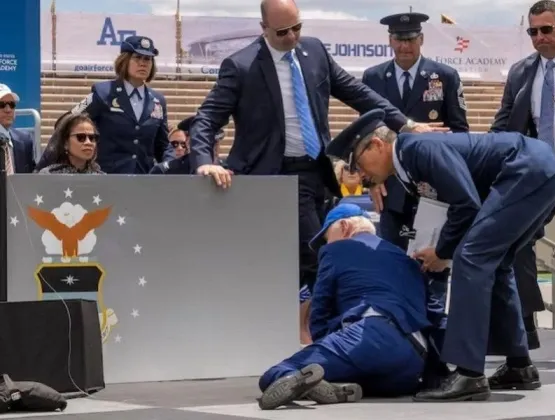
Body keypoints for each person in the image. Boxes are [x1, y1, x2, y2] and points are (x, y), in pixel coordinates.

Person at [188, 0, 446, 345]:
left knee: (315, 256)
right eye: (282, 31)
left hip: (317, 171)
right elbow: (207, 117)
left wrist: (406, 124)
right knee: (319, 257)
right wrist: (204, 158)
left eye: (297, 27)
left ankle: (310, 333)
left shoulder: (314, 52)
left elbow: (358, 94)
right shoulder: (241, 65)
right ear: (263, 28)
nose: (292, 36)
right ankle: (325, 338)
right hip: (272, 176)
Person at [326, 108, 555, 401]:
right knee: (495, 262)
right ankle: (519, 366)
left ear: (376, 145)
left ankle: (469, 374)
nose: (360, 174)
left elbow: (466, 204)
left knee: (471, 258)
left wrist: (442, 251)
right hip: (537, 169)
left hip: (527, 169)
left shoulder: (417, 148)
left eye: (358, 163)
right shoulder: (407, 166)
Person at [362, 12, 468, 355]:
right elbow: (365, 137)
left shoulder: (444, 76)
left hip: (435, 190)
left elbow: (460, 132)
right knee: (393, 261)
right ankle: (399, 337)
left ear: (421, 40)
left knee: (433, 265)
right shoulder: (373, 77)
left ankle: (435, 345)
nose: (404, 45)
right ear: (389, 40)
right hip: (391, 189)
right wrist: (370, 181)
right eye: (398, 38)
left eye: (410, 38)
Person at [257, 204, 429, 410]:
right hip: (414, 357)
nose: (326, 243)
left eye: (327, 237)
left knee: (276, 374)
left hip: (369, 335)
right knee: (364, 378)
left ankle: (308, 383)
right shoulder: (406, 259)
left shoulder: (335, 250)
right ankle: (336, 387)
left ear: (345, 226)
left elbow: (320, 310)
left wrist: (323, 347)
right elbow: (433, 313)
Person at [490, 0, 555, 350]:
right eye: (533, 31)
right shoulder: (520, 72)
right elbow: (504, 124)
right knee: (518, 241)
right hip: (542, 174)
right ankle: (526, 327)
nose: (539, 37)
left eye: (546, 29)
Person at [38, 36, 174, 174]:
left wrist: (168, 165)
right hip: (105, 181)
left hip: (144, 180)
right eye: (137, 57)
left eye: (148, 59)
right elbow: (66, 121)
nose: (143, 63)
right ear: (124, 60)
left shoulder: (158, 101)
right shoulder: (103, 93)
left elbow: (162, 145)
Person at [36, 113, 103, 175]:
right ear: (65, 143)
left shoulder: (102, 177)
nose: (88, 142)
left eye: (92, 138)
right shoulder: (48, 175)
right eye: (81, 137)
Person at [0, 84, 36, 174]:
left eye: (12, 104)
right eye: (1, 105)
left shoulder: (25, 140)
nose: (8, 110)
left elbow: (33, 176)